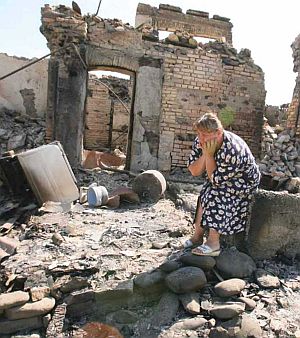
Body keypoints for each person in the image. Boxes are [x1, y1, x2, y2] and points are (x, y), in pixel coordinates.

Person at [185, 113, 261, 256]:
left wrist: (209, 155)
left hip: (244, 181)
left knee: (216, 192)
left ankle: (213, 243)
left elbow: (216, 181)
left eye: (205, 135)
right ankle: (197, 236)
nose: (201, 138)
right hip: (217, 174)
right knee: (204, 193)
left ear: (218, 133)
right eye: (199, 134)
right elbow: (194, 171)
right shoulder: (200, 141)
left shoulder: (233, 150)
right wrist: (205, 153)